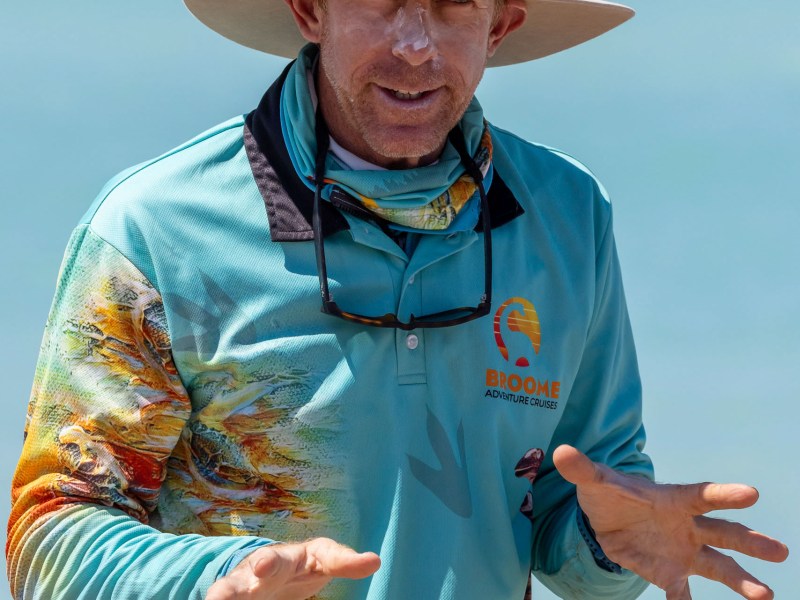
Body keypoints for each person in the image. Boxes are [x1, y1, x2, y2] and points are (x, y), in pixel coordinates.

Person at [6, 0, 789, 598]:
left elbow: (570, 505)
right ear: (310, 10)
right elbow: (46, 534)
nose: (416, 45)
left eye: (453, 6)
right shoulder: (154, 227)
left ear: (501, 26)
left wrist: (613, 546)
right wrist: (220, 575)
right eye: (382, 0)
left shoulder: (568, 213)